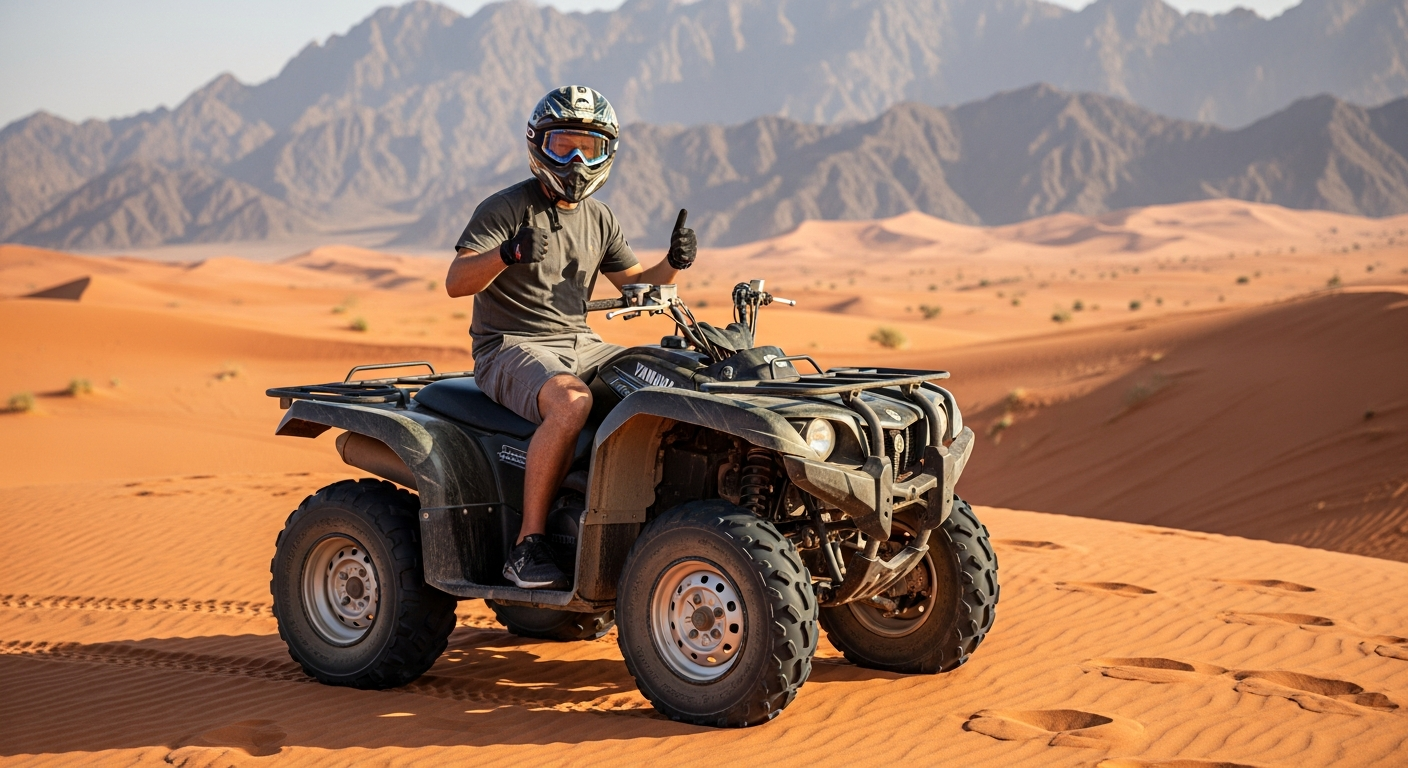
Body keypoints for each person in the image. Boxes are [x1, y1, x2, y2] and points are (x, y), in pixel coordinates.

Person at [445, 85, 696, 590]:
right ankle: (528, 544)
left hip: (581, 343)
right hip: (509, 346)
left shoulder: (600, 218)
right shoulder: (505, 207)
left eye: (591, 146)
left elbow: (637, 291)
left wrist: (674, 264)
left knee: (663, 383)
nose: (577, 160)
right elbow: (456, 282)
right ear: (539, 143)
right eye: (564, 145)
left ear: (609, 153)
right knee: (570, 402)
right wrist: (507, 254)